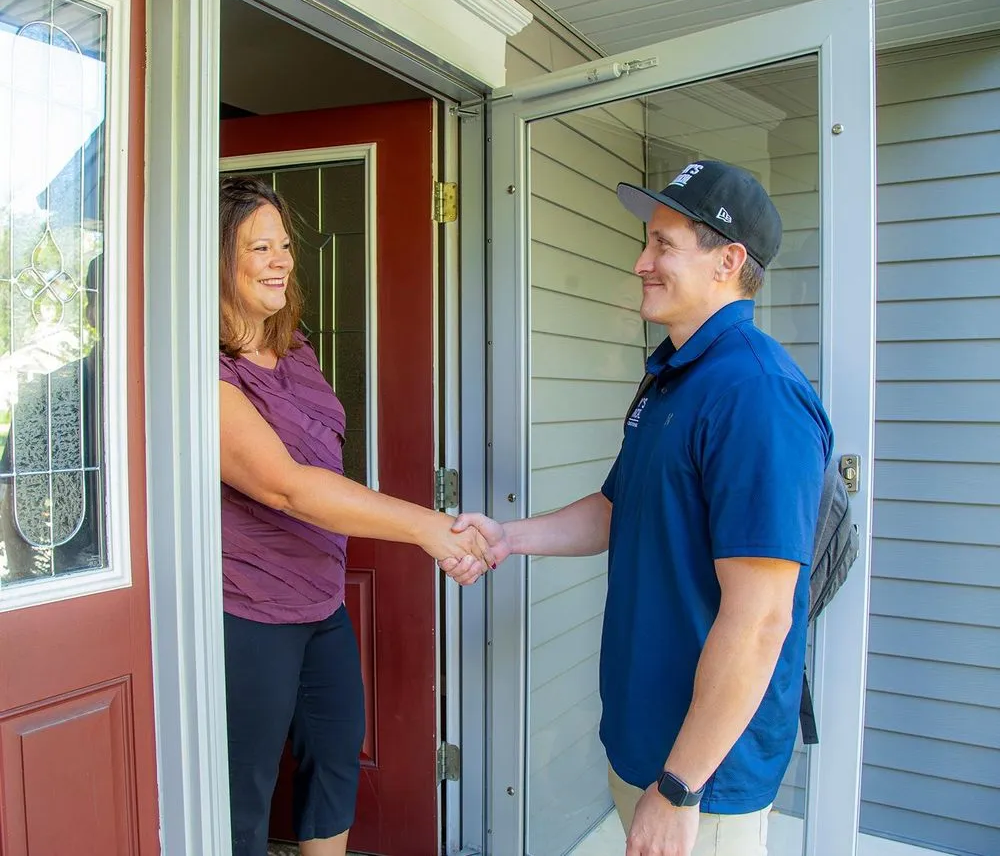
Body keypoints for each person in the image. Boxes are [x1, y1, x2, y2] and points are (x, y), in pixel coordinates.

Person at [447, 161, 833, 856]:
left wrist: (680, 787)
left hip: (703, 773)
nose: (640, 262)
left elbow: (761, 618)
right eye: (646, 243)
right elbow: (617, 508)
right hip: (644, 737)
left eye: (662, 245)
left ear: (728, 261)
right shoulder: (674, 378)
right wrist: (507, 536)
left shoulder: (757, 393)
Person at [217, 176, 493, 856]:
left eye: (285, 244)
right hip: (246, 607)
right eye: (260, 246)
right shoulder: (203, 375)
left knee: (336, 756)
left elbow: (323, 461)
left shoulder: (297, 348)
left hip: (321, 597)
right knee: (241, 791)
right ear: (216, 260)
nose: (282, 258)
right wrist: (431, 528)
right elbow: (286, 486)